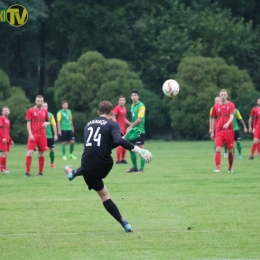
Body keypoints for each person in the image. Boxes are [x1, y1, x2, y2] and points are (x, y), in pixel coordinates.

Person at [64, 101, 152, 232]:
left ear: (98, 112)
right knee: (105, 164)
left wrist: (125, 137)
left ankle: (74, 172)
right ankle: (125, 224)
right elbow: (117, 141)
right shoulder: (113, 124)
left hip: (86, 166)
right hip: (104, 164)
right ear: (111, 113)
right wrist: (140, 150)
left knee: (104, 196)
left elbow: (99, 147)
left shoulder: (87, 125)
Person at [210, 89, 235, 173]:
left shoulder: (231, 105)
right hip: (219, 131)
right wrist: (212, 130)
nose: (223, 96)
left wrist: (228, 123)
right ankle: (218, 168)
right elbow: (213, 118)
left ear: (227, 95)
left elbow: (232, 116)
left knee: (230, 151)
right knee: (218, 149)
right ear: (219, 95)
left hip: (229, 131)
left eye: (224, 94)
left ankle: (230, 167)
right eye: (221, 94)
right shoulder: (216, 106)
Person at [25, 95, 49, 177]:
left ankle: (40, 172)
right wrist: (30, 134)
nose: (40, 102)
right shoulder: (31, 110)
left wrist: (46, 123)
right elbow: (28, 123)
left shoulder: (45, 111)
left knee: (41, 153)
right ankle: (27, 172)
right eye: (38, 101)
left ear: (43, 102)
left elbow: (48, 121)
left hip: (42, 135)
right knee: (30, 152)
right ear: (35, 101)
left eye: (41, 101)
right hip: (33, 135)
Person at [126, 89, 146, 173]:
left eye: (135, 95)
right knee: (130, 148)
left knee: (141, 150)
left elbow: (140, 119)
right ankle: (134, 167)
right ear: (131, 97)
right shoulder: (132, 106)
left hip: (139, 130)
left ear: (138, 96)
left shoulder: (141, 106)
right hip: (133, 131)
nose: (134, 97)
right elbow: (134, 119)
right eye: (132, 95)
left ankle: (141, 169)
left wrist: (130, 126)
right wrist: (130, 125)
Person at [112, 95, 131, 164]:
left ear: (125, 101)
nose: (122, 101)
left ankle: (123, 159)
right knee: (119, 144)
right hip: (119, 128)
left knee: (125, 143)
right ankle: (117, 160)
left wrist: (131, 124)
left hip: (124, 128)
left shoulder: (124, 108)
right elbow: (113, 117)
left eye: (123, 100)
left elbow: (124, 118)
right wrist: (116, 126)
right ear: (118, 101)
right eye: (120, 100)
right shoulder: (117, 108)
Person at [42, 103, 58, 167]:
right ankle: (42, 164)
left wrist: (55, 134)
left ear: (47, 107)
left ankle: (52, 163)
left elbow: (54, 125)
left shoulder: (50, 115)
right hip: (41, 136)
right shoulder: (39, 115)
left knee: (52, 149)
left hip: (49, 135)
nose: (44, 107)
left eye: (45, 106)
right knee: (42, 151)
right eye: (43, 106)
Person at [0, 106, 14, 173]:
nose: (6, 111)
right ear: (2, 112)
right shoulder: (1, 118)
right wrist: (3, 137)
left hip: (7, 139)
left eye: (7, 110)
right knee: (4, 153)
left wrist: (10, 140)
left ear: (9, 111)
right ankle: (2, 168)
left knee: (5, 154)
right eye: (4, 110)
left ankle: (3, 168)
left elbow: (7, 131)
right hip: (3, 139)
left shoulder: (8, 120)